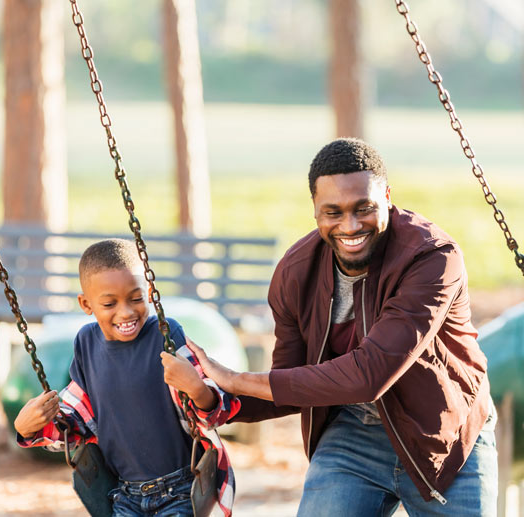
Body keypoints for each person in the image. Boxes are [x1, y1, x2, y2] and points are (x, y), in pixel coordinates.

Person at [188, 138, 497, 516]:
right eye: (332, 212)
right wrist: (211, 395)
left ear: (386, 195)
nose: (350, 226)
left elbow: (370, 373)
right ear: (315, 211)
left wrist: (234, 379)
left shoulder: (431, 258)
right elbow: (288, 382)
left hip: (442, 432)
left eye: (363, 208)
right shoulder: (296, 272)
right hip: (353, 434)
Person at [12, 239, 240, 517]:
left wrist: (195, 387)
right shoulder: (86, 343)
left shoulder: (165, 335)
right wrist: (29, 428)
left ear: (150, 290)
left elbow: (213, 412)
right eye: (109, 303)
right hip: (124, 495)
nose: (126, 312)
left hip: (180, 489)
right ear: (86, 304)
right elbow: (77, 422)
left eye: (136, 298)